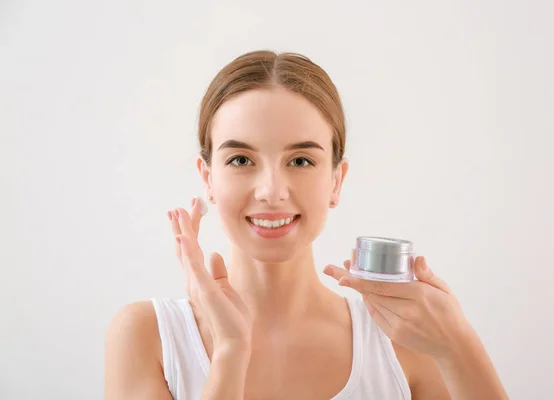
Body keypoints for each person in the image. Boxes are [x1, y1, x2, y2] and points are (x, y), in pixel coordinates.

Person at [104, 50, 508, 400]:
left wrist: (457, 344)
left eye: (300, 161)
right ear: (208, 178)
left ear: (336, 180)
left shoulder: (405, 342)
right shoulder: (146, 337)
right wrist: (229, 352)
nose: (271, 191)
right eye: (241, 160)